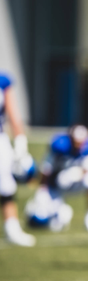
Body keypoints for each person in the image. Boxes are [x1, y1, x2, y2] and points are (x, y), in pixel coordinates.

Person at [25, 124, 88, 233]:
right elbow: (46, 170)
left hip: (76, 183)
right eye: (75, 141)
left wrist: (76, 173)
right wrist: (42, 190)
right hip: (56, 184)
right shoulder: (59, 146)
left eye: (80, 141)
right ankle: (61, 211)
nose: (78, 144)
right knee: (43, 218)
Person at [0, 71, 36, 247]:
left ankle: (11, 227)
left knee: (6, 185)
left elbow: (13, 113)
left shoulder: (3, 81)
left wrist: (20, 143)